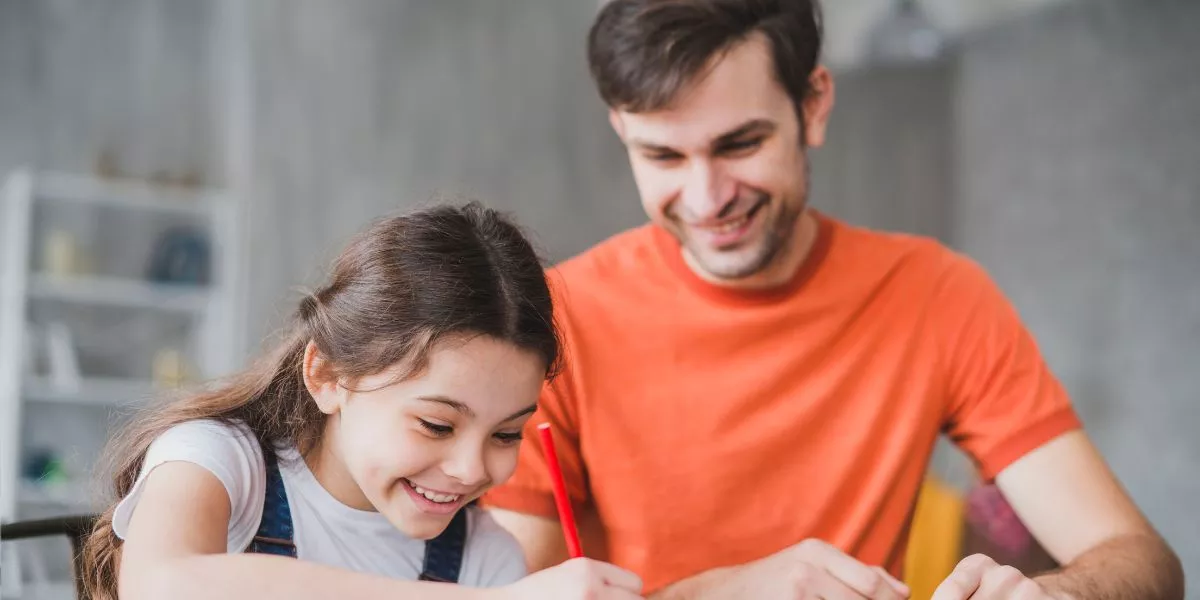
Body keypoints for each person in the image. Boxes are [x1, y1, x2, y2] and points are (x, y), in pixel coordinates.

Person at [482, 1, 1185, 599]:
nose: (706, 199)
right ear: (622, 132)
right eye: (663, 156)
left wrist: (1053, 592)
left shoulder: (937, 296)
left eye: (740, 144)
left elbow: (1142, 560)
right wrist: (729, 589)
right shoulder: (556, 319)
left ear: (813, 105)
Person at [81, 202, 645, 600]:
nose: (473, 469)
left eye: (505, 434)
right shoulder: (218, 459)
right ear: (328, 376)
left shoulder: (485, 557)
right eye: (436, 424)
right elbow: (165, 584)